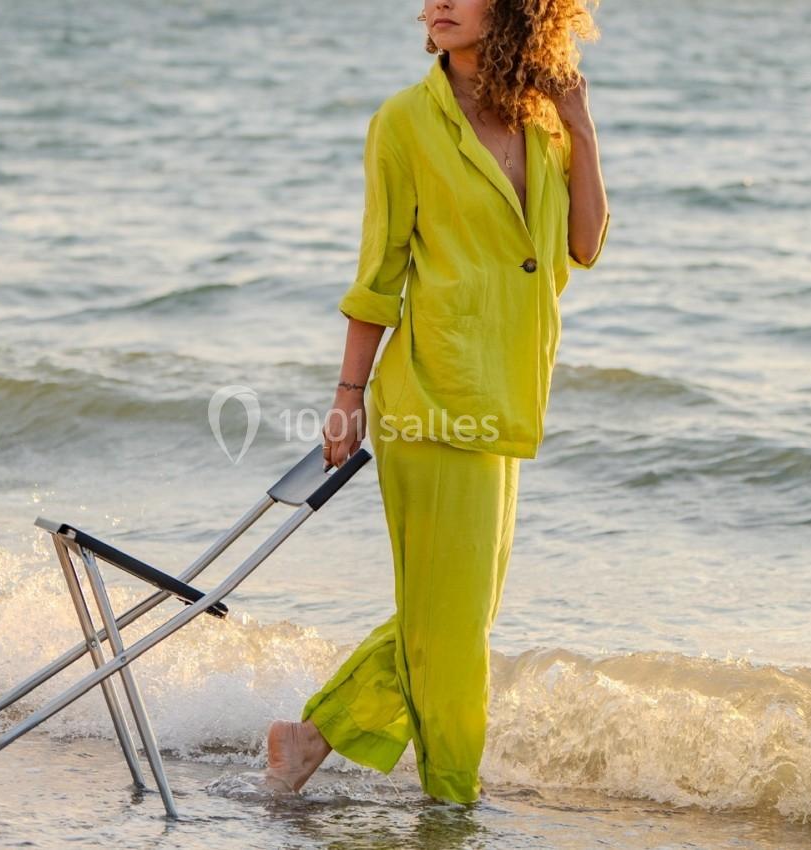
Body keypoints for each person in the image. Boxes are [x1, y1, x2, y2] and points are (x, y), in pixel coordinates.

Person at [264, 0, 610, 804]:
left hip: (509, 395)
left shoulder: (547, 123)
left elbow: (584, 244)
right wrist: (348, 396)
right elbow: (377, 274)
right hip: (429, 395)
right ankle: (452, 801)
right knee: (453, 631)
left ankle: (308, 738)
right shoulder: (404, 123)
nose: (439, 4)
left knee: (451, 616)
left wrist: (582, 124)